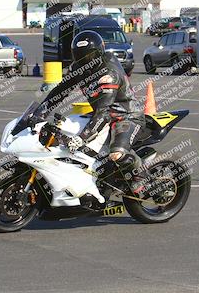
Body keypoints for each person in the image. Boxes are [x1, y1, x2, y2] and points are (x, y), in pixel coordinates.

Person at [33, 30, 145, 199]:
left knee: (117, 154)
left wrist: (83, 137)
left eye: (90, 56)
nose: (86, 61)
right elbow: (61, 90)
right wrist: (41, 110)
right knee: (64, 135)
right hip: (100, 114)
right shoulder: (79, 68)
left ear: (99, 52)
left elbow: (104, 111)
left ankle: (139, 176)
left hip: (125, 116)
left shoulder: (109, 74)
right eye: (81, 56)